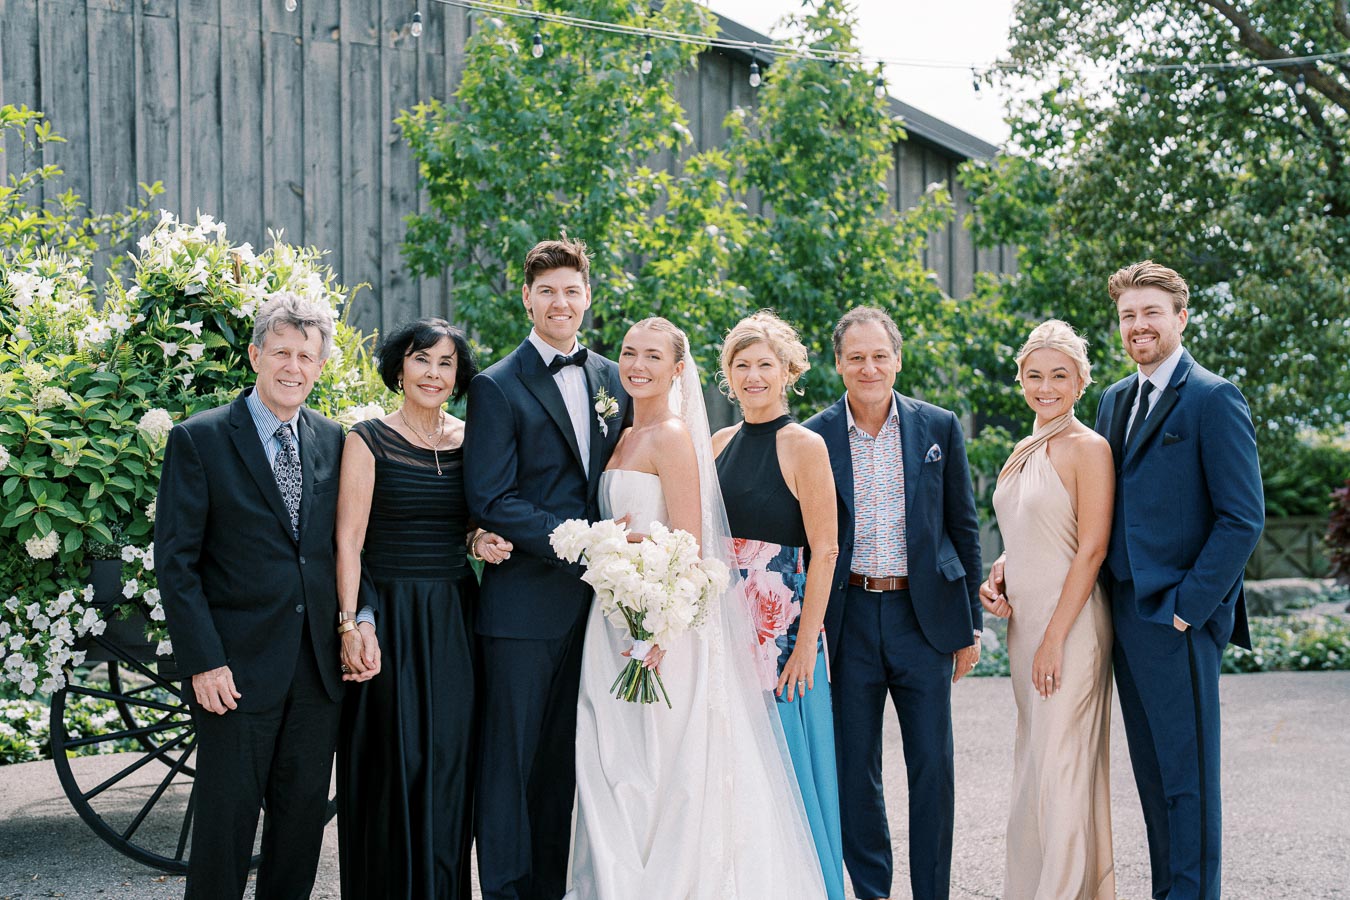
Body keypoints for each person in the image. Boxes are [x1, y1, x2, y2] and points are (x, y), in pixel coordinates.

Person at [569, 316, 828, 899]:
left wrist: (660, 629)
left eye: (653, 356)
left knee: (663, 765)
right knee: (609, 754)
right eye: (630, 352)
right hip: (611, 624)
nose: (637, 364)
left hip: (662, 628)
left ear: (678, 369)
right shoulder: (623, 438)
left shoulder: (676, 438)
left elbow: (690, 543)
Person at [156, 294, 345, 900]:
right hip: (233, 671)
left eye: (307, 357)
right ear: (256, 354)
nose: (294, 367)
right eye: (282, 352)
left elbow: (344, 547)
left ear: (319, 367)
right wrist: (204, 661)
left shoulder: (335, 441)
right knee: (225, 827)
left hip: (316, 671)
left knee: (299, 831)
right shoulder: (200, 440)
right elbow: (177, 564)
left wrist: (355, 621)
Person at [462, 238, 628, 900]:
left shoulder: (612, 379)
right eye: (548, 291)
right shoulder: (497, 386)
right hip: (523, 609)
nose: (561, 302)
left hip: (596, 612)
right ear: (527, 298)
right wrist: (583, 543)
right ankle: (504, 890)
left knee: (565, 761)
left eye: (572, 290)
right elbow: (492, 497)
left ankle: (550, 890)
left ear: (588, 296)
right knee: (509, 764)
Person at [803, 306, 983, 900]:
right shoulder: (813, 437)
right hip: (848, 619)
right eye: (855, 357)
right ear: (838, 365)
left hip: (922, 620)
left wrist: (971, 627)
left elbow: (963, 525)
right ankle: (872, 894)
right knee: (857, 773)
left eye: (879, 355)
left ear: (897, 359)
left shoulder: (938, 427)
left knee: (932, 768)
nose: (869, 366)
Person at [1099, 261, 1263, 898]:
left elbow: (1242, 518)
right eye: (1128, 316)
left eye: (1150, 313)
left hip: (1178, 621)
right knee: (1153, 778)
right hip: (1124, 617)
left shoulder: (1213, 397)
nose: (1138, 326)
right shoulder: (1116, 399)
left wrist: (1187, 608)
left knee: (1189, 783)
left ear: (1180, 318)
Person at [334, 318, 511, 899]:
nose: (433, 374)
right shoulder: (367, 439)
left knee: (450, 763)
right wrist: (350, 622)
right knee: (392, 764)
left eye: (446, 364)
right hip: (390, 614)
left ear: (458, 376)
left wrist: (478, 540)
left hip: (457, 616)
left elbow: (468, 524)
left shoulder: (471, 438)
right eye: (421, 360)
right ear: (399, 367)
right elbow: (349, 541)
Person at [979, 319, 1116, 899]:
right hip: (1025, 626)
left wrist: (1056, 638)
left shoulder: (1089, 447)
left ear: (1081, 382)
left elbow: (1091, 547)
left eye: (1059, 375)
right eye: (1034, 375)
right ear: (1020, 380)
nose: (1045, 386)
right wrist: (1000, 570)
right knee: (1036, 762)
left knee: (1061, 765)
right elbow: (1031, 530)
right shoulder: (1021, 449)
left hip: (1072, 628)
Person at [712, 310, 845, 899]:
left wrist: (805, 647)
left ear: (788, 371)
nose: (753, 375)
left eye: (765, 364)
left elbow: (827, 550)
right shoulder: (717, 444)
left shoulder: (804, 445)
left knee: (792, 772)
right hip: (723, 625)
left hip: (782, 630)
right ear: (728, 376)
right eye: (742, 365)